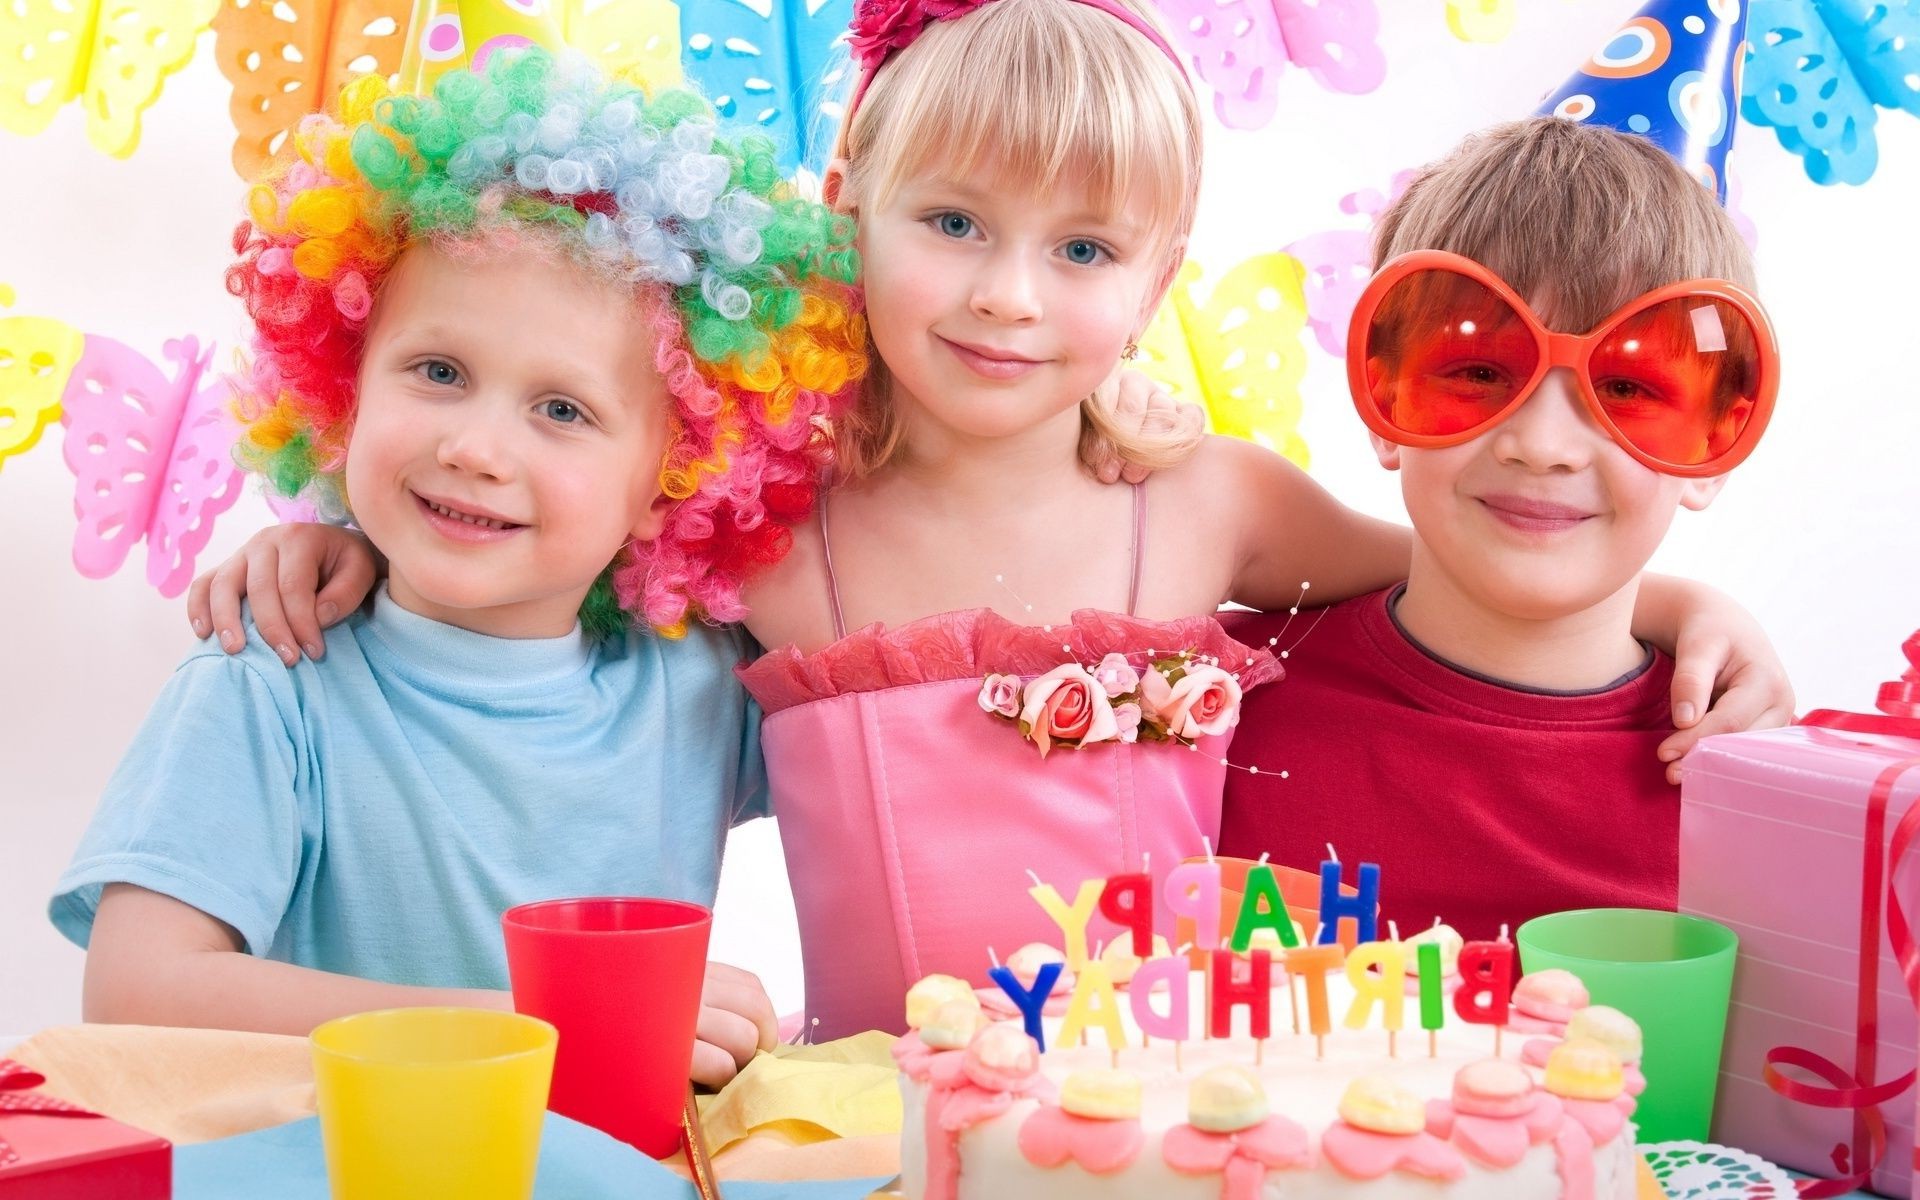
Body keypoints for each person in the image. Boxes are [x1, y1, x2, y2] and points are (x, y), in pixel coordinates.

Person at [190, 0, 1793, 1039]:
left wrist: (1685, 611)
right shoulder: (758, 528)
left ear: (1158, 282)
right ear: (849, 220)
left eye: (1085, 252)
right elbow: (519, 521)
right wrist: (335, 533)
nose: (1008, 297)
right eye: (952, 223)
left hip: (1173, 1132)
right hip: (880, 1132)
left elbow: (1469, 563)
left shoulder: (1215, 507)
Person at [50, 51, 867, 1086]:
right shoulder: (272, 677)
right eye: (438, 372)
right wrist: (543, 1021)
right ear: (346, 389)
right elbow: (137, 994)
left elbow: (917, 673)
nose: (478, 448)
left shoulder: (700, 683)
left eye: (561, 409)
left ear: (676, 473)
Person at [1219, 117, 1789, 937]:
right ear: (1381, 396)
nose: (1543, 446)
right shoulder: (1207, 691)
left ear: (1717, 440)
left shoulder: (1757, 797)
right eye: (1480, 370)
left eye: (1628, 389)